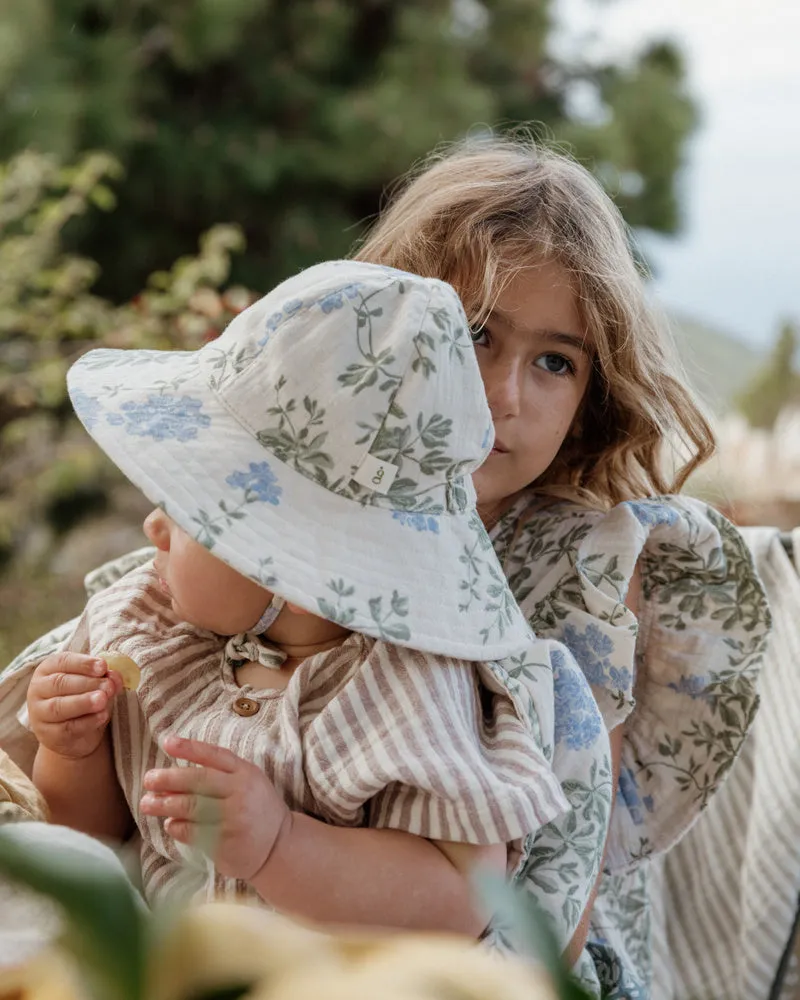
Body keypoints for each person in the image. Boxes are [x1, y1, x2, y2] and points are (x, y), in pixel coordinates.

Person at [0, 135, 771, 995]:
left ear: (593, 394)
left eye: (556, 362)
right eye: (473, 336)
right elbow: (103, 819)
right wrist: (74, 741)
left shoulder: (580, 565)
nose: (502, 396)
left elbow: (556, 857)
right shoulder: (253, 524)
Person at [14, 260, 611, 949]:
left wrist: (282, 845)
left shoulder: (406, 686)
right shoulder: (145, 625)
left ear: (291, 561)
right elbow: (86, 846)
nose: (153, 527)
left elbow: (457, 901)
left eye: (186, 510)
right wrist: (72, 750)